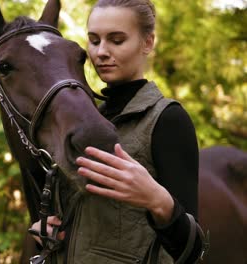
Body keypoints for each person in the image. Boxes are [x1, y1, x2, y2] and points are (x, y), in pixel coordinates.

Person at [31, 0, 207, 263]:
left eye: (116, 40)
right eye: (94, 40)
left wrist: (158, 200)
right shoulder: (84, 120)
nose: (101, 51)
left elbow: (192, 251)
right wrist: (48, 231)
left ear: (147, 43)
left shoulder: (168, 119)